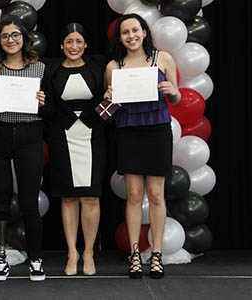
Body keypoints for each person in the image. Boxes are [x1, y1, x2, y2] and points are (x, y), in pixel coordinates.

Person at [0, 16, 53, 282]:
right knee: (2, 197)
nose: (11, 40)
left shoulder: (40, 69)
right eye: (5, 36)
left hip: (30, 135)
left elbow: (52, 111)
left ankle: (36, 259)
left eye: (15, 35)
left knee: (30, 200)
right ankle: (2, 257)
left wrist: (43, 102)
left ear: (24, 38)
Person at [105, 14, 181, 279]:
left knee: (157, 194)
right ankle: (135, 254)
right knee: (134, 195)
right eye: (125, 32)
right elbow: (110, 110)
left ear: (144, 32)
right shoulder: (113, 66)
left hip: (157, 129)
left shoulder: (163, 59)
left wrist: (172, 89)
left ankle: (157, 254)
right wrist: (108, 98)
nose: (131, 36)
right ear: (121, 38)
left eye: (135, 30)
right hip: (128, 131)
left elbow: (178, 97)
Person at [42, 23, 108, 276]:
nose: (74, 46)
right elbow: (46, 109)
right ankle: (72, 252)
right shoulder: (50, 69)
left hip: (93, 135)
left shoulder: (99, 66)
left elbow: (110, 101)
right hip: (61, 136)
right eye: (69, 41)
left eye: (78, 41)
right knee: (68, 196)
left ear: (86, 45)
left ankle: (89, 251)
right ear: (61, 45)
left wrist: (106, 104)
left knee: (91, 196)